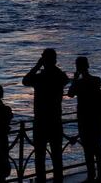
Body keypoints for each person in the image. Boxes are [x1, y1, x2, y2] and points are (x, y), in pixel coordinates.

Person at [23, 48, 69, 183]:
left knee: (40, 156)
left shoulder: (40, 77)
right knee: (57, 156)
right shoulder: (60, 76)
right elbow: (65, 79)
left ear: (44, 60)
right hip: (55, 119)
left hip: (41, 120)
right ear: (54, 60)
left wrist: (37, 66)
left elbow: (25, 81)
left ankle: (41, 180)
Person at [67, 56, 101, 182]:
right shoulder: (96, 80)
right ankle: (100, 173)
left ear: (77, 67)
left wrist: (75, 79)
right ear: (88, 65)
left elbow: (70, 93)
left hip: (84, 117)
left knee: (88, 148)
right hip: (96, 117)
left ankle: (91, 174)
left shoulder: (79, 83)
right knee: (97, 146)